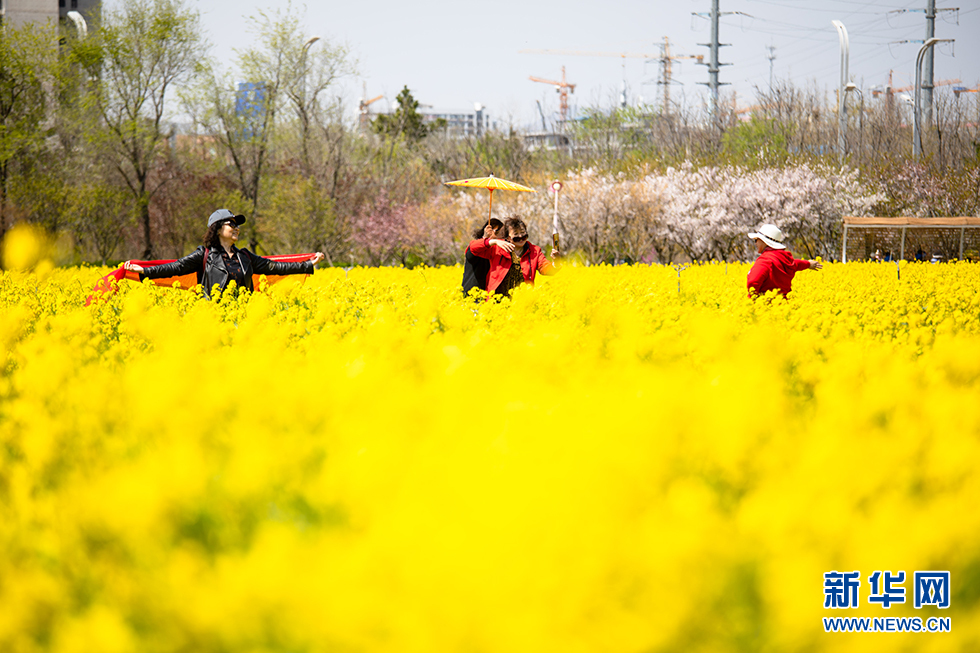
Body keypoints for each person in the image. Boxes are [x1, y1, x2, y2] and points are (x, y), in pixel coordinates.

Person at [123, 209, 325, 297]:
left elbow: (274, 266)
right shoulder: (204, 255)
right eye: (232, 224)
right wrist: (144, 271)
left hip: (244, 319)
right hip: (214, 319)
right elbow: (175, 268)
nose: (236, 228)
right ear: (218, 228)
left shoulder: (244, 256)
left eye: (238, 225)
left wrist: (307, 264)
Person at [468, 216, 560, 298]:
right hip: (496, 302)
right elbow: (473, 248)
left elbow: (547, 269)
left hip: (522, 303)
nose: (520, 237)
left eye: (523, 233)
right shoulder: (497, 248)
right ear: (508, 238)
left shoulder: (535, 251)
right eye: (516, 234)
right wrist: (493, 241)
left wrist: (556, 262)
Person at [746, 223, 821, 299]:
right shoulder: (785, 258)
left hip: (766, 305)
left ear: (764, 241)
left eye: (756, 240)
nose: (755, 243)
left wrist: (751, 301)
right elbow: (796, 264)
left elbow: (753, 281)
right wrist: (808, 264)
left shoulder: (765, 260)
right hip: (784, 305)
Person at [461, 218, 504, 297]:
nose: (500, 235)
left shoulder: (500, 251)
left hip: (490, 297)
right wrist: (485, 238)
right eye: (497, 231)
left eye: (503, 233)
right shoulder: (476, 247)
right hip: (472, 296)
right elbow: (474, 247)